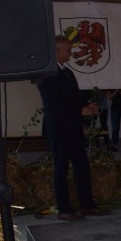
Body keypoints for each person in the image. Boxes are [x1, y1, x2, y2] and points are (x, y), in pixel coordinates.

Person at [37, 35, 109, 221]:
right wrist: (80, 110)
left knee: (82, 166)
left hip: (74, 127)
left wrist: (88, 105)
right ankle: (64, 209)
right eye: (67, 50)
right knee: (61, 167)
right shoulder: (46, 75)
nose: (71, 53)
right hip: (58, 128)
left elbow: (74, 97)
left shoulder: (67, 73)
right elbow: (53, 104)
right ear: (56, 51)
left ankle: (87, 205)